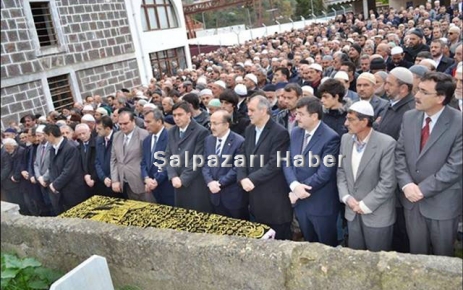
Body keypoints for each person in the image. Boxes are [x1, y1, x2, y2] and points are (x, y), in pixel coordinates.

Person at [396, 72, 462, 256]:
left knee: (443, 261)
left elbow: (455, 166)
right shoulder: (409, 117)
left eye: (424, 92)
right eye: (418, 89)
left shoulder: (459, 123)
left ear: (441, 97)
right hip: (411, 202)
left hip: (443, 204)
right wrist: (407, 184)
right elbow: (400, 154)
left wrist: (422, 189)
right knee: (417, 256)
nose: (416, 96)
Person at [337, 101, 397, 251]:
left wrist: (364, 205)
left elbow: (388, 182)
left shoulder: (386, 143)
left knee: (378, 261)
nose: (346, 123)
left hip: (377, 214)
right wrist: (347, 198)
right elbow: (341, 171)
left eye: (351, 120)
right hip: (352, 211)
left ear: (364, 121)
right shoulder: (345, 139)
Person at [283, 97, 340, 246]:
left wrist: (298, 191)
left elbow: (324, 174)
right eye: (297, 113)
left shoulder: (331, 137)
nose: (297, 117)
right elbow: (287, 161)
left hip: (320, 204)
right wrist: (294, 186)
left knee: (326, 247)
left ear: (314, 116)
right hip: (301, 204)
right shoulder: (295, 132)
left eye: (301, 114)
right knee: (309, 245)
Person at [237, 95, 293, 240]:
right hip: (255, 199)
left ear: (263, 111)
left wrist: (251, 179)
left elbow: (275, 164)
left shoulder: (279, 132)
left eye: (251, 110)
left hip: (274, 201)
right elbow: (242, 156)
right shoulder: (249, 130)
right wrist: (242, 177)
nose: (248, 113)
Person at [165, 101, 212, 213]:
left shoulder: (201, 132)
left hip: (195, 183)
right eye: (174, 115)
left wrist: (183, 179)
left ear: (189, 114)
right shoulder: (172, 131)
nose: (176, 118)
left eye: (180, 115)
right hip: (177, 182)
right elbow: (168, 155)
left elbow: (197, 159)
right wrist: (173, 176)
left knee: (198, 215)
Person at [202, 110, 248, 220]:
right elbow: (205, 162)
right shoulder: (209, 140)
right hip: (214, 195)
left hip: (233, 197)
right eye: (210, 123)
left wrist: (220, 183)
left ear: (226, 124)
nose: (212, 127)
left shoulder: (239, 141)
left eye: (215, 123)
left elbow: (238, 167)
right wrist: (209, 182)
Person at [43, 124, 88, 215]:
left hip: (72, 191)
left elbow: (69, 171)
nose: (45, 138)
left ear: (51, 135)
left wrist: (55, 185)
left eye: (45, 136)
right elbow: (52, 167)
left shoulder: (70, 148)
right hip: (60, 192)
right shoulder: (52, 148)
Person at [110, 110, 150, 201]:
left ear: (133, 121)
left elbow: (148, 160)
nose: (122, 126)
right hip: (124, 183)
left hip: (141, 182)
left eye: (125, 123)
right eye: (120, 124)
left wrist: (148, 179)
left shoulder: (144, 135)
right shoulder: (116, 136)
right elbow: (113, 160)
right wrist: (115, 180)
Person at [141, 109, 174, 206]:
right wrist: (146, 178)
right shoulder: (146, 140)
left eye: (148, 122)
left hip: (168, 187)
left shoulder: (170, 137)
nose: (145, 125)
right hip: (153, 188)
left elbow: (169, 162)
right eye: (144, 122)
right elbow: (143, 162)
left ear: (159, 122)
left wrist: (156, 180)